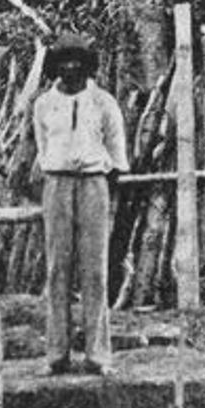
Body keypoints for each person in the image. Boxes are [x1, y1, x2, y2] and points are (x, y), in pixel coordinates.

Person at [31, 33, 128, 376]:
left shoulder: (103, 101)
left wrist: (102, 187)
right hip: (56, 184)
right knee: (58, 269)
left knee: (95, 270)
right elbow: (43, 148)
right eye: (63, 61)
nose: (70, 67)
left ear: (87, 66)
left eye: (77, 61)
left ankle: (98, 354)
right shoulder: (44, 104)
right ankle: (56, 355)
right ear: (55, 67)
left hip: (93, 184)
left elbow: (116, 152)